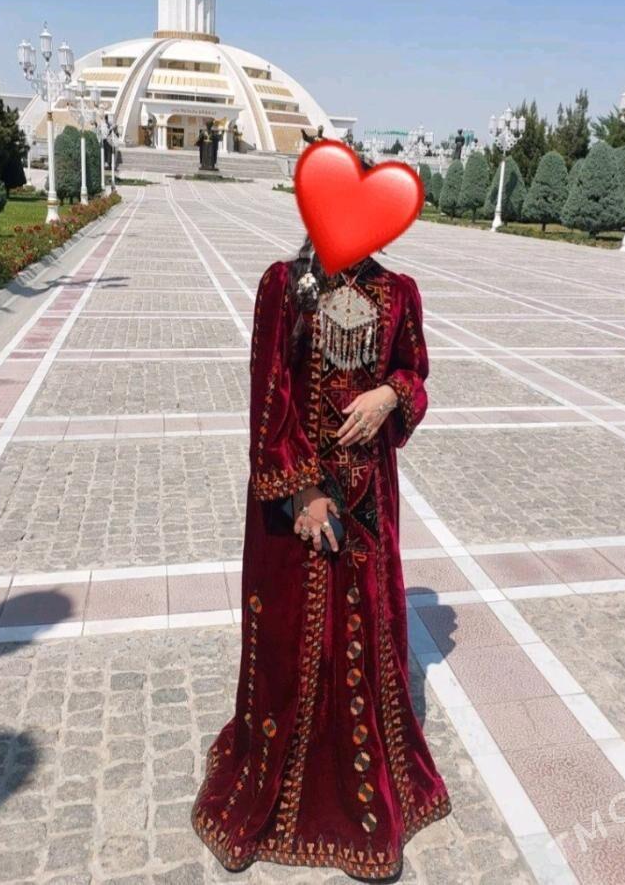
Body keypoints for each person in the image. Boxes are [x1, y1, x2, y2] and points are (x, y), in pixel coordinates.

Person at [191, 236, 451, 880]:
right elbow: (269, 394)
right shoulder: (284, 284)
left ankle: (360, 787)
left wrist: (391, 395)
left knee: (363, 633)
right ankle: (281, 784)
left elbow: (416, 373)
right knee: (292, 637)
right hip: (293, 507)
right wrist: (301, 491)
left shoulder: (399, 292)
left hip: (370, 500)